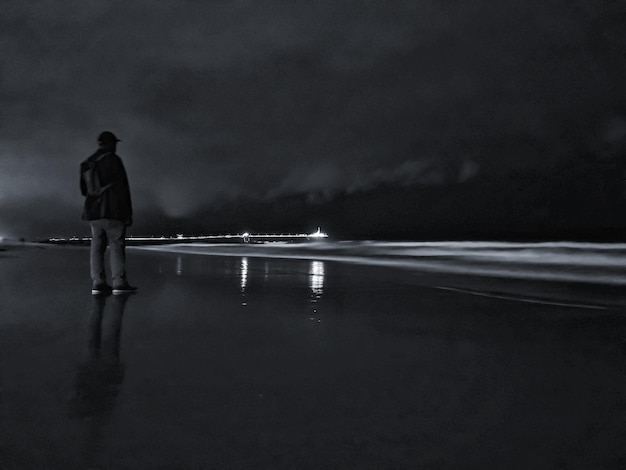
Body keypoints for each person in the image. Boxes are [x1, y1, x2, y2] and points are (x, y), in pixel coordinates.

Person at [80, 131, 137, 295]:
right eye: (115, 144)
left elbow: (84, 191)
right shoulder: (114, 161)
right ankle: (119, 282)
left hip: (94, 213)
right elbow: (123, 188)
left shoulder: (87, 163)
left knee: (96, 248)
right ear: (111, 144)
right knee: (117, 247)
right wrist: (128, 213)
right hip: (113, 211)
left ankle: (98, 283)